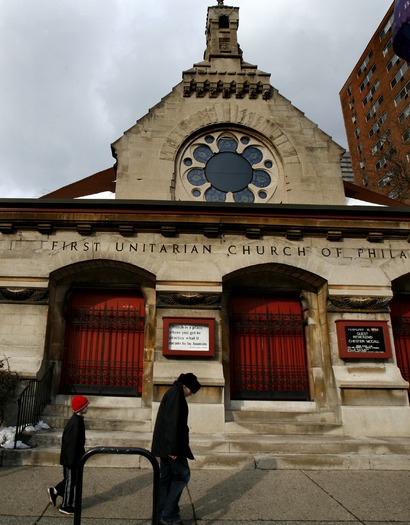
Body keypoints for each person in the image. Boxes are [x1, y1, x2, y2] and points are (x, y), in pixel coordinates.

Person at [151, 372, 201, 525]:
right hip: (172, 446)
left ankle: (163, 513)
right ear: (186, 386)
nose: (190, 395)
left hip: (166, 445)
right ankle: (169, 514)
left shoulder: (174, 393)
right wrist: (172, 450)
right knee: (182, 476)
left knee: (166, 479)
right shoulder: (176, 395)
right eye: (191, 392)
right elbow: (172, 424)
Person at [47, 395, 90, 515]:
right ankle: (65, 505)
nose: (88, 407)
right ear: (81, 408)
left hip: (74, 457)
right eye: (86, 406)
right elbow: (71, 444)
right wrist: (71, 461)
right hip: (71, 459)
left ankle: (55, 491)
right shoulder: (75, 423)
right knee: (70, 482)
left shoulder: (78, 420)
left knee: (71, 480)